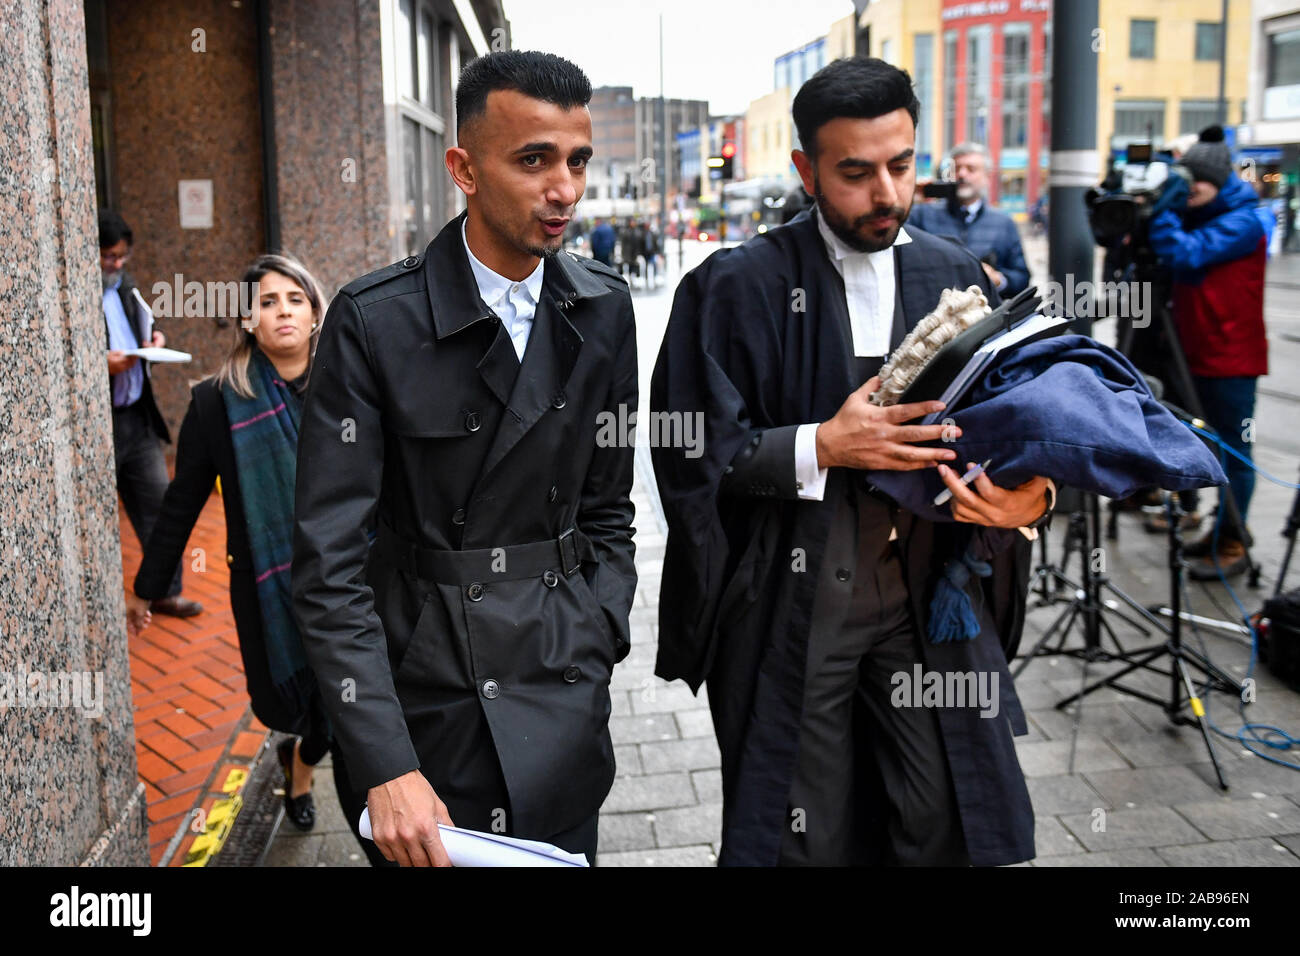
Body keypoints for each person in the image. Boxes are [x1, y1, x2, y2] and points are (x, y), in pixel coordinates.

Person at [652, 56, 1049, 867]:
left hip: (930, 597)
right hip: (796, 599)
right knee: (804, 824)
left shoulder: (954, 273)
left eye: (901, 165)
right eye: (856, 173)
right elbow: (685, 446)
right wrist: (819, 445)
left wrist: (1029, 501)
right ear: (804, 168)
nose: (886, 195)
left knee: (942, 807)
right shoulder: (733, 287)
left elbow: (1024, 429)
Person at [291, 49, 637, 868]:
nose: (565, 189)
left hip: (560, 684)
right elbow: (328, 566)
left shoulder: (604, 306)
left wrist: (598, 631)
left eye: (577, 160)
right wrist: (383, 759)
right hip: (427, 702)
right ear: (464, 168)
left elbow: (609, 508)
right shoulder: (375, 321)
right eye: (534, 160)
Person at [126, 254, 359, 842]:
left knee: (355, 709)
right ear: (247, 321)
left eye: (294, 299)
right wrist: (148, 587)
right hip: (274, 588)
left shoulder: (353, 383)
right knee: (312, 707)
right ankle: (302, 765)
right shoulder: (217, 402)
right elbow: (181, 503)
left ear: (314, 312)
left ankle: (312, 773)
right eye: (266, 302)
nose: (281, 311)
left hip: (360, 577)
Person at [1149, 125, 1268, 580]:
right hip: (1197, 354)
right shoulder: (1207, 214)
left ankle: (1235, 540)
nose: (1186, 189)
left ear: (1217, 181)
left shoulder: (1243, 221)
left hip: (1232, 359)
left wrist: (1165, 208)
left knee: (1235, 451)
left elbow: (1183, 254)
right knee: (1208, 447)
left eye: (1192, 181)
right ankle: (1222, 529)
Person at [101, 211, 202, 619]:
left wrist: (155, 338)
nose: (118, 264)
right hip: (100, 424)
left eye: (123, 256)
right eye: (109, 256)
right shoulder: (73, 293)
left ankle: (165, 591)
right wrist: (98, 365)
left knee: (160, 505)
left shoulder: (123, 285)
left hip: (137, 420)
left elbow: (143, 323)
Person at [908, 142, 1030, 297]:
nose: (962, 174)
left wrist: (998, 279)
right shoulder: (922, 214)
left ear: (987, 177)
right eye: (956, 169)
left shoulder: (1004, 223)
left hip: (986, 314)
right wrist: (910, 198)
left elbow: (1022, 278)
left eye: (971, 169)